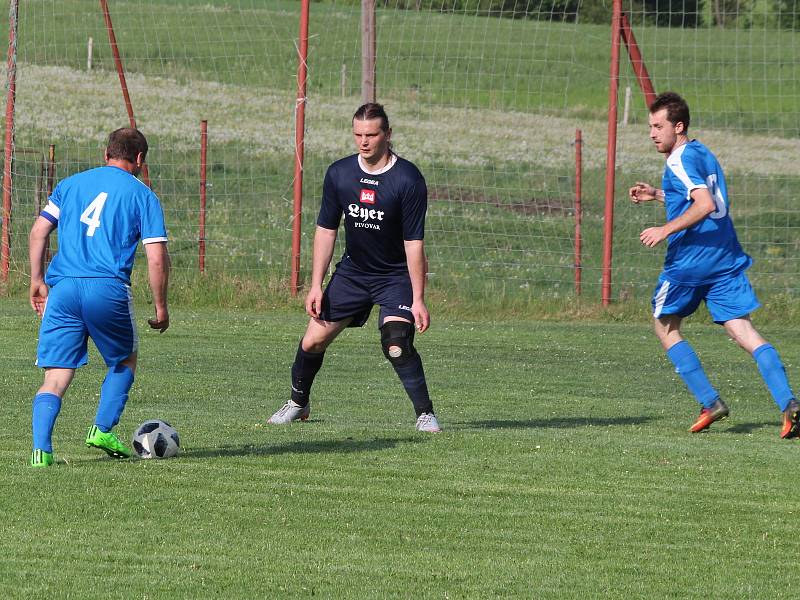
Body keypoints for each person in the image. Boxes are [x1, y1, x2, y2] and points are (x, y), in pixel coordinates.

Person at [629, 91, 799, 437]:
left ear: (679, 126)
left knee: (664, 325)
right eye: (650, 126)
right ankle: (791, 406)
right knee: (743, 331)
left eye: (658, 126)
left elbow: (704, 204)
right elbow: (703, 196)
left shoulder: (677, 160)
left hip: (691, 260)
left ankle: (710, 402)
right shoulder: (703, 152)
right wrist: (659, 195)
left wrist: (665, 228)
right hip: (724, 257)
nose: (652, 133)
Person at [267, 103, 441, 432]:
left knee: (396, 342)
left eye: (372, 134)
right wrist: (316, 284)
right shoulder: (340, 174)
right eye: (358, 134)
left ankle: (425, 414)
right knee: (312, 342)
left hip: (395, 275)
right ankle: (298, 403)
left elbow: (414, 243)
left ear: (387, 135)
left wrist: (418, 298)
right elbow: (326, 230)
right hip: (354, 273)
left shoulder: (408, 179)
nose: (364, 141)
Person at [28, 127, 170, 467]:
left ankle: (41, 451)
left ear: (106, 154)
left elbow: (38, 231)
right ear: (138, 159)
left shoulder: (70, 184)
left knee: (56, 374)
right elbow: (156, 257)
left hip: (62, 289)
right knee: (124, 360)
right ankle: (102, 429)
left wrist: (36, 280)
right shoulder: (143, 195)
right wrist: (161, 305)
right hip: (106, 287)